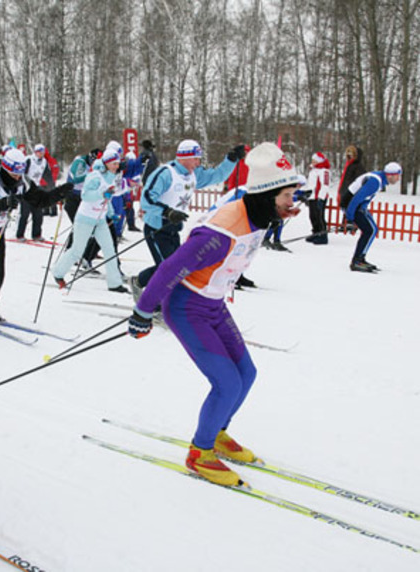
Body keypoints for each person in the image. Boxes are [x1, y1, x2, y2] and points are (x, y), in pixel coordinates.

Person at [127, 142, 301, 486]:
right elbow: (169, 268)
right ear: (267, 194)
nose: (292, 202)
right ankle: (199, 452)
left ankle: (217, 432)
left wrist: (281, 212)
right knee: (226, 382)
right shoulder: (219, 234)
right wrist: (142, 312)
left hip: (214, 303)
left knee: (246, 373)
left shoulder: (259, 211)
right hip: (187, 307)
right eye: (287, 196)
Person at [0, 148, 71, 321]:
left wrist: (60, 192)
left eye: (19, 173)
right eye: (13, 173)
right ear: (5, 168)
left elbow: (40, 200)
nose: (17, 177)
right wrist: (4, 203)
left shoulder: (22, 182)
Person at [130, 140, 244, 298]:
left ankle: (139, 281)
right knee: (169, 271)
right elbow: (147, 199)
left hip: (173, 229)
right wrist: (167, 212)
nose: (198, 163)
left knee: (176, 268)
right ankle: (154, 307)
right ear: (184, 157)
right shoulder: (165, 173)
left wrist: (231, 160)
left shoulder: (194, 174)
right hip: (156, 229)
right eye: (195, 159)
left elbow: (217, 176)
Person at [52, 148, 129, 293]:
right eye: (113, 163)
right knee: (77, 250)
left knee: (110, 249)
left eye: (117, 164)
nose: (116, 166)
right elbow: (86, 196)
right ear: (106, 163)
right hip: (85, 218)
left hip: (100, 220)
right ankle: (57, 273)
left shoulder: (111, 178)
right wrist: (101, 193)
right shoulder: (95, 176)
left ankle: (114, 283)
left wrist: (111, 214)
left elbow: (108, 199)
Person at [344, 162, 402, 272]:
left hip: (357, 205)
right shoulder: (375, 181)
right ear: (390, 175)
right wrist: (350, 219)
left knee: (372, 230)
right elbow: (356, 199)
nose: (398, 179)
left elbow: (365, 197)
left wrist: (363, 208)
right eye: (398, 176)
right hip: (351, 205)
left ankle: (360, 258)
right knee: (370, 231)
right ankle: (357, 261)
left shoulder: (379, 179)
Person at [16, 144, 53, 241]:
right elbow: (22, 174)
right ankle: (20, 235)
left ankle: (36, 235)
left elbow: (47, 175)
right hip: (26, 190)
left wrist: (52, 187)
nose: (41, 154)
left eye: (43, 152)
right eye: (40, 152)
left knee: (38, 214)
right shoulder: (28, 160)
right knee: (25, 214)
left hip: (37, 190)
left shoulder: (44, 162)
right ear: (35, 152)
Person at [305, 152, 331, 245]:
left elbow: (325, 185)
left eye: (315, 160)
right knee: (313, 216)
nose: (313, 162)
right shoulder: (313, 170)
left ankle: (323, 235)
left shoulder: (324, 171)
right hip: (312, 197)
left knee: (319, 216)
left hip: (319, 197)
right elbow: (311, 185)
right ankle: (315, 233)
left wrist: (321, 198)